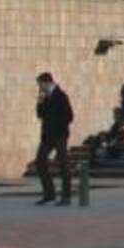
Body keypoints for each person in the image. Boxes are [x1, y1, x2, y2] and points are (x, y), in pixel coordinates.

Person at [34, 72, 74, 206]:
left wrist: (58, 126)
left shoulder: (61, 96)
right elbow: (40, 115)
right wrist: (39, 101)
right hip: (47, 136)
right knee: (40, 161)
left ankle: (66, 197)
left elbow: (70, 116)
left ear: (46, 83)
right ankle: (49, 194)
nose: (39, 87)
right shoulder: (44, 97)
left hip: (59, 135)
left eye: (40, 84)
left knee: (63, 164)